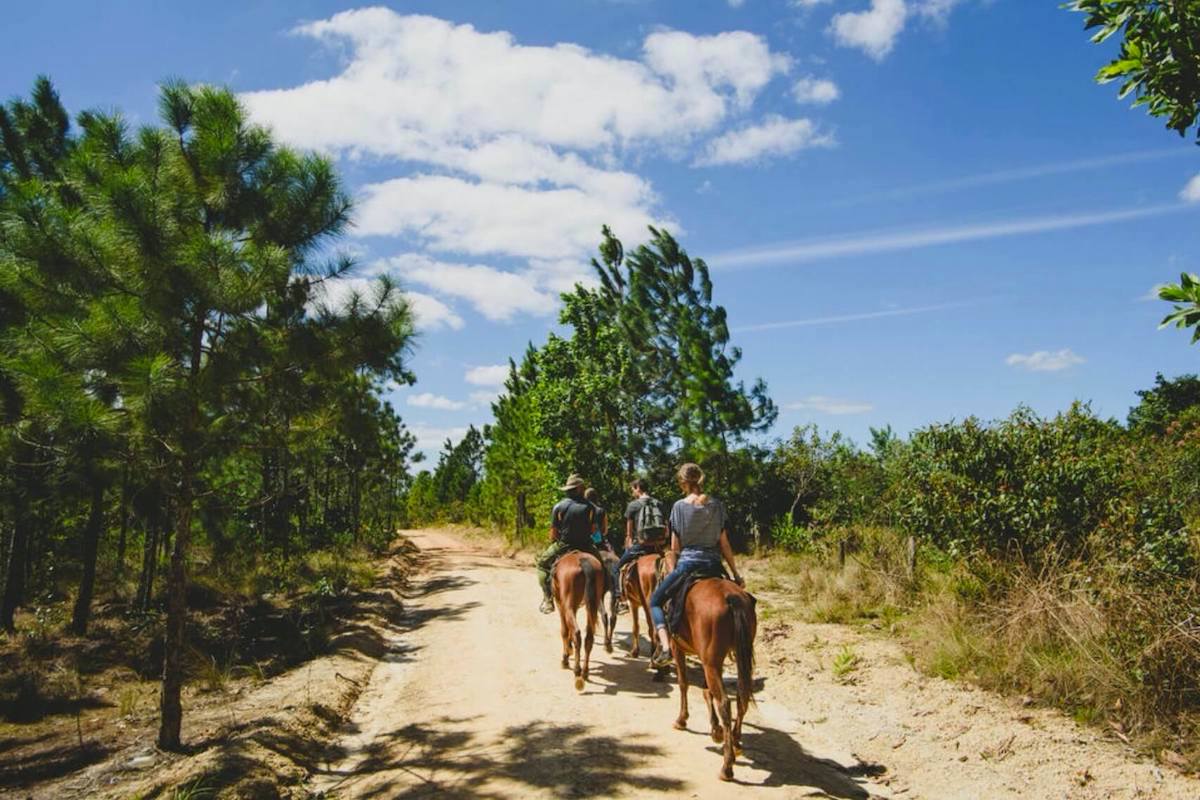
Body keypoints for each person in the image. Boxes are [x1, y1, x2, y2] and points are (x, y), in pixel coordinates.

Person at [649, 463, 743, 668]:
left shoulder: (679, 507)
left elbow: (674, 548)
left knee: (655, 601)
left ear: (683, 483)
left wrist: (673, 571)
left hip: (688, 564)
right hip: (713, 565)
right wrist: (736, 574)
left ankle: (665, 648)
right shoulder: (717, 505)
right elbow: (724, 543)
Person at [535, 474, 599, 614]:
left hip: (564, 545)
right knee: (602, 567)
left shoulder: (559, 506)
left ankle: (548, 599)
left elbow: (553, 532)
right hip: (586, 545)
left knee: (541, 564)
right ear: (579, 489)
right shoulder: (590, 507)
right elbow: (594, 530)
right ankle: (606, 597)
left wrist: (556, 541)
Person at [611, 478, 666, 613]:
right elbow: (666, 527)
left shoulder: (633, 506)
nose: (633, 492)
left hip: (640, 546)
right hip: (658, 547)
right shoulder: (658, 503)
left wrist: (629, 545)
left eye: (633, 489)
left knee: (616, 569)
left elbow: (629, 533)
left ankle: (620, 599)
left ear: (638, 488)